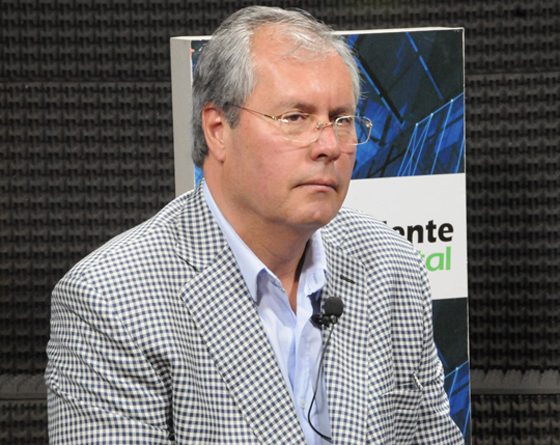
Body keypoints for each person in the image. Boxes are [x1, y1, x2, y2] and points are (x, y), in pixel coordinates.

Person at [45, 6, 464, 444]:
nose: (329, 145)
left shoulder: (392, 266)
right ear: (218, 130)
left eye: (342, 120)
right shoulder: (111, 300)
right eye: (295, 118)